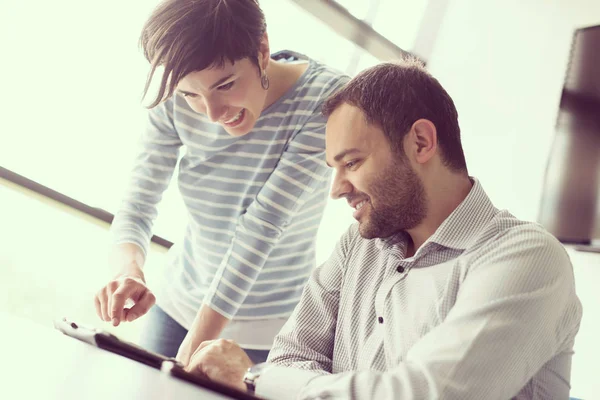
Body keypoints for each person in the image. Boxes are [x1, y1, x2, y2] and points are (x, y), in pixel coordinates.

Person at [183, 59, 583, 399]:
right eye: (334, 169)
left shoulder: (526, 258)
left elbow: (421, 394)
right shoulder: (357, 247)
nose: (337, 189)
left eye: (352, 163)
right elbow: (290, 358)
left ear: (421, 142)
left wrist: (257, 377)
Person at [93, 0, 348, 365]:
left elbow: (261, 229)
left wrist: (183, 361)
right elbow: (139, 201)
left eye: (225, 85)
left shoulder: (325, 100)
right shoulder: (176, 88)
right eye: (191, 95)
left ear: (262, 50)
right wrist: (127, 270)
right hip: (177, 305)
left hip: (268, 330)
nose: (212, 113)